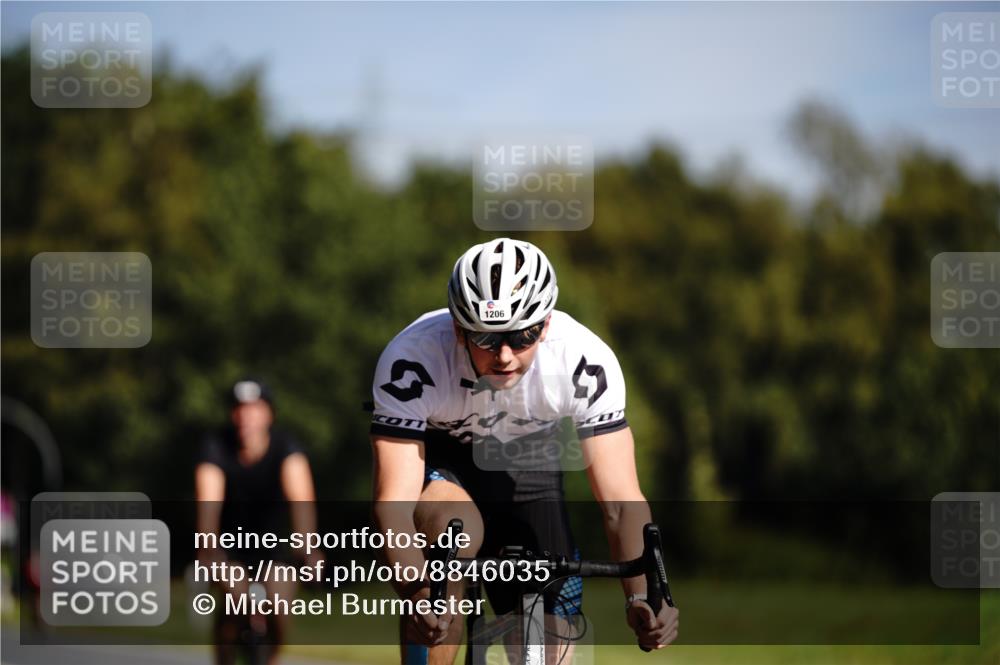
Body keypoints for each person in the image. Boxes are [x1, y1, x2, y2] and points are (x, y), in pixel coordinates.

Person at [370, 238, 679, 664]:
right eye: (485, 335)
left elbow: (621, 504)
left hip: (526, 467)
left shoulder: (582, 360)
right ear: (458, 329)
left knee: (554, 650)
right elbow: (393, 505)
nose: (504, 355)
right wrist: (419, 591)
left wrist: (642, 597)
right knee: (455, 539)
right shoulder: (414, 358)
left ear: (546, 323)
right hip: (443, 463)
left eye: (522, 335)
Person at [195, 379, 320, 665]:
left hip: (276, 549)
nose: (246, 417)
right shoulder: (215, 446)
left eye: (254, 409)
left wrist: (308, 548)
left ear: (269, 414)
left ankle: (271, 657)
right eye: (239, 409)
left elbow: (302, 503)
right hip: (230, 549)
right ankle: (224, 655)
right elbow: (208, 506)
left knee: (279, 605)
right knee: (233, 602)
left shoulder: (287, 447)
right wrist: (208, 551)